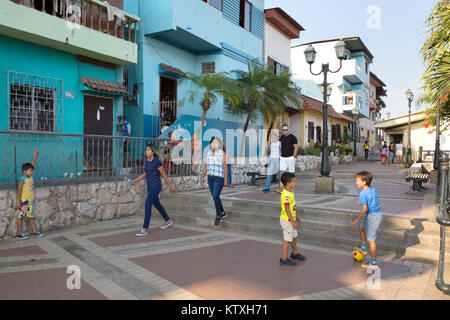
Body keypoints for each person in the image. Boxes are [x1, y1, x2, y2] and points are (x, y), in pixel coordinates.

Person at [132, 144, 176, 236]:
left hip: (156, 186)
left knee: (148, 204)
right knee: (157, 204)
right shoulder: (147, 161)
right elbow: (145, 174)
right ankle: (168, 220)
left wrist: (170, 186)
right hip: (150, 187)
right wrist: (136, 179)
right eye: (146, 150)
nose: (146, 152)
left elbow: (163, 175)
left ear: (153, 152)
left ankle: (144, 229)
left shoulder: (157, 162)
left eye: (148, 150)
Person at [350, 171, 383, 269]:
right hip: (375, 215)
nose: (356, 183)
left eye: (357, 181)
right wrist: (360, 202)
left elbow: (365, 209)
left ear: (364, 182)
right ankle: (364, 249)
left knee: (372, 241)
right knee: (361, 228)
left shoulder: (363, 193)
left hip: (372, 217)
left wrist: (356, 219)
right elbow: (371, 200)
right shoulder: (372, 189)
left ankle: (373, 264)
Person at [16, 150, 45, 239]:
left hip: (30, 201)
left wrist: (35, 155)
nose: (31, 172)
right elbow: (19, 191)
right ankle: (19, 234)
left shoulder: (31, 177)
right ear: (24, 171)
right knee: (20, 217)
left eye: (32, 171)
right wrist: (18, 202)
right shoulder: (22, 180)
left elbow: (32, 164)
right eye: (30, 171)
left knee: (31, 216)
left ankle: (35, 232)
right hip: (24, 201)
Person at [279, 172, 306, 266]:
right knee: (287, 239)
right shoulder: (286, 194)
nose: (295, 183)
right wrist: (293, 221)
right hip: (287, 221)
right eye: (293, 182)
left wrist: (296, 217)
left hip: (291, 219)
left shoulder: (291, 192)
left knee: (294, 237)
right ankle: (283, 258)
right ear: (287, 183)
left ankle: (295, 253)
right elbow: (287, 209)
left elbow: (292, 207)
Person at [200, 137, 228, 226]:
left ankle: (218, 215)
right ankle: (222, 212)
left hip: (219, 178)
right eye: (212, 142)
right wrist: (202, 177)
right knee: (215, 196)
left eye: (216, 142)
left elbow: (225, 167)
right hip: (210, 178)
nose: (214, 144)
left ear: (219, 144)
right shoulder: (208, 154)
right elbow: (206, 166)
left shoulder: (222, 153)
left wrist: (226, 179)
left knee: (215, 195)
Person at [276, 125, 298, 194]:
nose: (285, 131)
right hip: (283, 157)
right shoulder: (281, 137)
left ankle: (291, 187)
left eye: (286, 130)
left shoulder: (293, 137)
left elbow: (296, 147)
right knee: (282, 173)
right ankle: (281, 187)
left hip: (290, 157)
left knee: (291, 173)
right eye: (283, 130)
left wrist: (293, 156)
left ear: (288, 130)